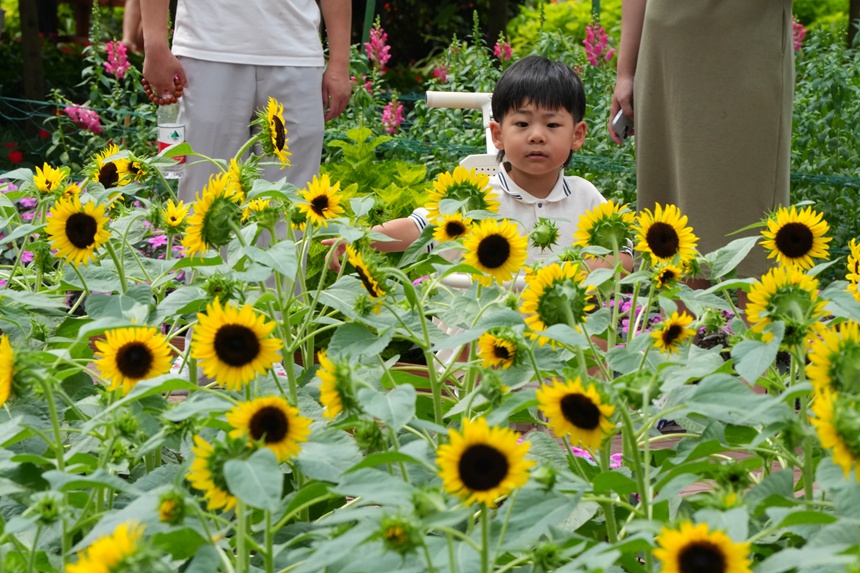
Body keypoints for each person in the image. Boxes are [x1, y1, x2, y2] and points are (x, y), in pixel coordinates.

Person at [328, 55, 633, 275]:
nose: (537, 136)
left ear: (577, 135)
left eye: (552, 125)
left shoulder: (585, 197)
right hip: (480, 336)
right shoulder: (476, 197)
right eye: (523, 123)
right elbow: (417, 228)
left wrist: (578, 274)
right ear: (498, 134)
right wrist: (360, 237)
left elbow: (626, 253)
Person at [609, 1, 793, 295]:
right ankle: (683, 336)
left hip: (749, 41)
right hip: (668, 46)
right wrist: (625, 72)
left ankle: (759, 340)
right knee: (676, 207)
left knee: (756, 208)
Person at [140, 0, 352, 202]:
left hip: (296, 53)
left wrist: (340, 63)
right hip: (206, 52)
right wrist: (155, 44)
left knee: (291, 208)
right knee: (205, 205)